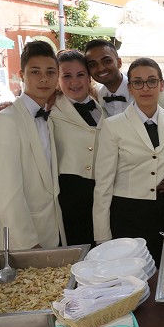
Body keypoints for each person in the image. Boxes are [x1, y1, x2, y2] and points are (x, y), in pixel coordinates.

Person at [93, 58, 164, 262]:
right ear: (130, 88)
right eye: (138, 82)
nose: (145, 88)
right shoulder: (113, 126)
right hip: (126, 214)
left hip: (162, 211)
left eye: (152, 81)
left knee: (162, 268)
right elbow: (103, 184)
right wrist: (102, 236)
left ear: (162, 85)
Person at [0, 40, 65, 249]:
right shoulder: (6, 121)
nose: (43, 79)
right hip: (24, 243)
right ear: (22, 75)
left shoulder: (49, 118)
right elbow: (6, 195)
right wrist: (30, 245)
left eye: (50, 72)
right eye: (35, 72)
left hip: (52, 236)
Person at [50, 50, 103, 246]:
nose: (75, 82)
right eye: (67, 76)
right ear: (58, 79)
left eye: (80, 74)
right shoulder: (49, 110)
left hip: (100, 193)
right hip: (68, 194)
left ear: (89, 78)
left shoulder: (100, 107)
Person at [84, 39, 164, 115]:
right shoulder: (99, 96)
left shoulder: (151, 87)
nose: (100, 68)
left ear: (119, 62)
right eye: (92, 65)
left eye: (107, 61)